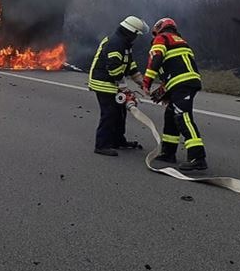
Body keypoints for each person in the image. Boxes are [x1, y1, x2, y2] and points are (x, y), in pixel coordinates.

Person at [142, 17, 208, 171]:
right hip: (184, 83)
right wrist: (165, 90)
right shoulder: (180, 40)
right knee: (171, 116)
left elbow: (156, 58)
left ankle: (198, 158)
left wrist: (147, 82)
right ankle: (168, 153)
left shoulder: (161, 38)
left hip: (182, 84)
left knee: (182, 117)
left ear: (159, 28)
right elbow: (177, 67)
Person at [88, 16, 149, 156]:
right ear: (131, 32)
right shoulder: (115, 43)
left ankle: (118, 140)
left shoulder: (124, 43)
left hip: (112, 82)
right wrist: (123, 87)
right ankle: (101, 145)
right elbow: (114, 67)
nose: (136, 38)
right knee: (109, 114)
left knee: (120, 112)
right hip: (103, 83)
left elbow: (130, 64)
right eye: (136, 34)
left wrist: (142, 82)